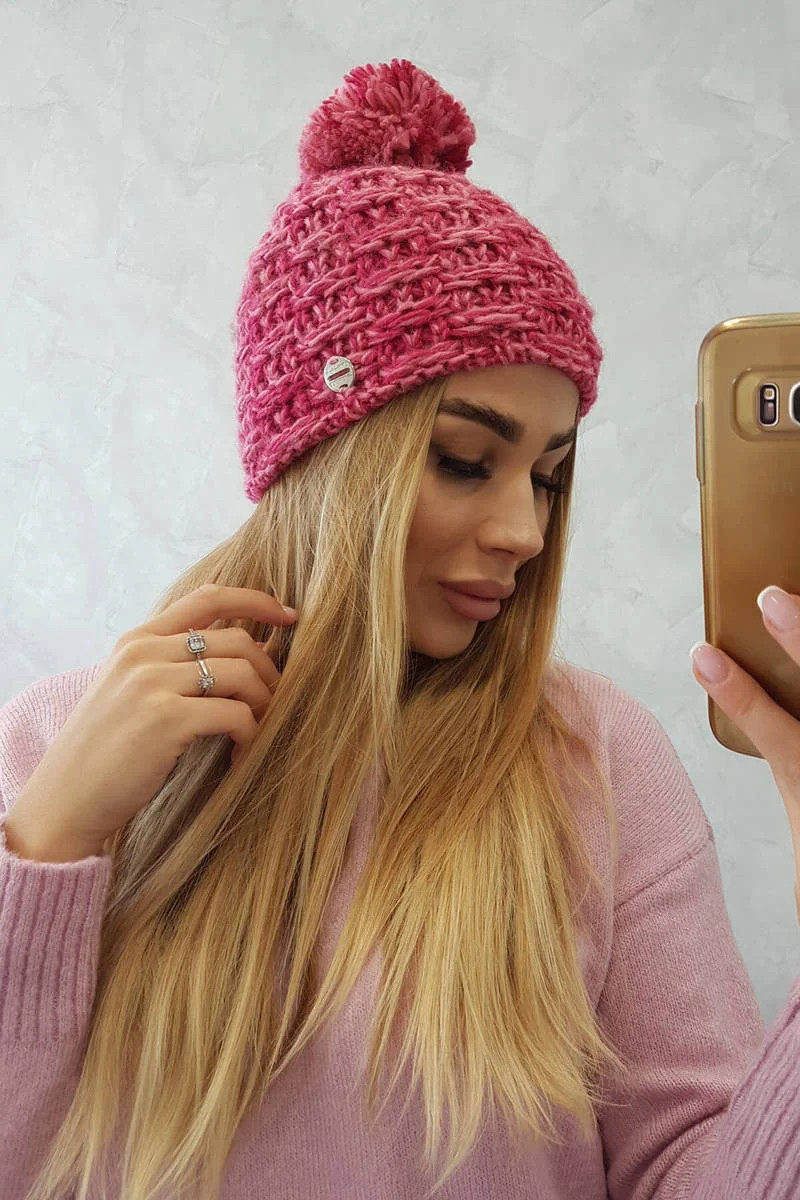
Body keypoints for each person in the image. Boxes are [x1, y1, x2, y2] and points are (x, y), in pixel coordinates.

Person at [1, 58, 799, 1200]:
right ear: (324, 459)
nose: (525, 531)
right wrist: (49, 845)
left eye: (548, 477)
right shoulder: (50, 749)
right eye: (465, 460)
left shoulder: (598, 762)